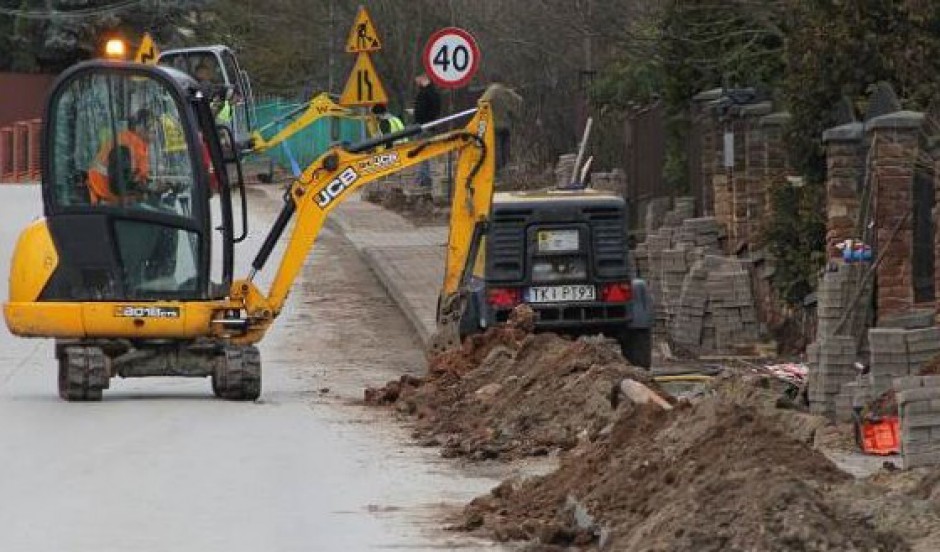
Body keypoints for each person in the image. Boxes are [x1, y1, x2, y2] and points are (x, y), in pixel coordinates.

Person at [88, 109, 153, 204]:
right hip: (107, 197)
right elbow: (133, 180)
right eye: (151, 128)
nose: (154, 132)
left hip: (104, 193)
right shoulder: (133, 144)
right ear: (139, 127)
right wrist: (150, 188)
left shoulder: (130, 140)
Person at [480, 76, 524, 172]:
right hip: (507, 124)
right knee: (505, 147)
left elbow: (482, 101)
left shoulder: (492, 90)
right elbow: (519, 100)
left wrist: (486, 114)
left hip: (495, 124)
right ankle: (505, 167)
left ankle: (498, 170)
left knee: (497, 148)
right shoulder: (506, 91)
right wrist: (514, 114)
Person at [413, 74, 441, 189]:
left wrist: (417, 118)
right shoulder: (435, 93)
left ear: (423, 78)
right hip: (431, 126)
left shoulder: (424, 93)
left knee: (421, 154)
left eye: (417, 80)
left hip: (423, 127)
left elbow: (420, 110)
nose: (416, 83)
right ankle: (424, 177)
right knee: (426, 154)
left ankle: (423, 179)